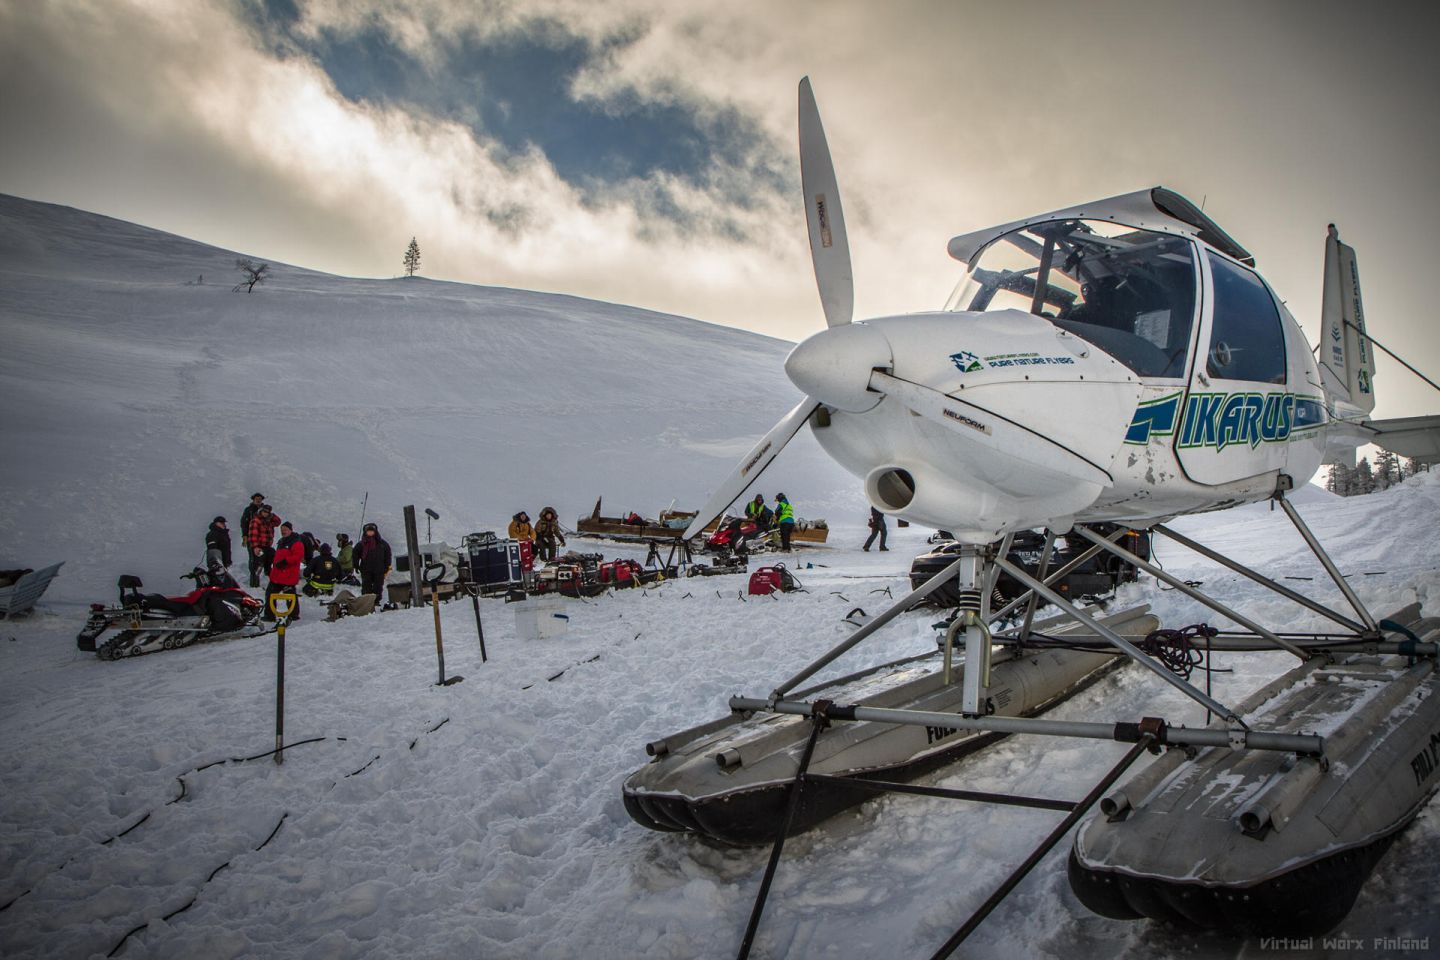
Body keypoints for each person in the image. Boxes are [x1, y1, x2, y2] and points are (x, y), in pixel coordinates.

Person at [265, 521, 305, 621]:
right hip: (277, 575)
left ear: (290, 530)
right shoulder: (281, 541)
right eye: (282, 530)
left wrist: (285, 561)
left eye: (285, 530)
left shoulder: (296, 542)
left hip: (288, 575)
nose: (283, 532)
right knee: (270, 594)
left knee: (290, 596)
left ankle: (293, 615)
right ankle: (269, 615)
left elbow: (297, 556)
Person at [353, 522, 392, 603]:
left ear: (375, 532)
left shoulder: (383, 544)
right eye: (368, 532)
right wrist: (356, 565)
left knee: (378, 586)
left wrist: (387, 566)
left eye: (372, 531)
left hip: (379, 569)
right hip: (366, 569)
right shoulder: (361, 544)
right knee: (366, 585)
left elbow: (388, 555)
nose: (370, 533)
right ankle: (366, 601)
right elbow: (355, 554)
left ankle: (376, 601)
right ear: (365, 532)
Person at [246, 504, 282, 588]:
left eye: (268, 512)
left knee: (270, 562)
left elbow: (278, 521)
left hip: (267, 546)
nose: (266, 513)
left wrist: (272, 515)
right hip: (258, 546)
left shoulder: (268, 521)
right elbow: (253, 535)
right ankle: (254, 584)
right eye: (264, 511)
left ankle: (271, 581)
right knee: (257, 566)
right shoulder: (256, 520)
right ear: (261, 511)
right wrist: (255, 547)